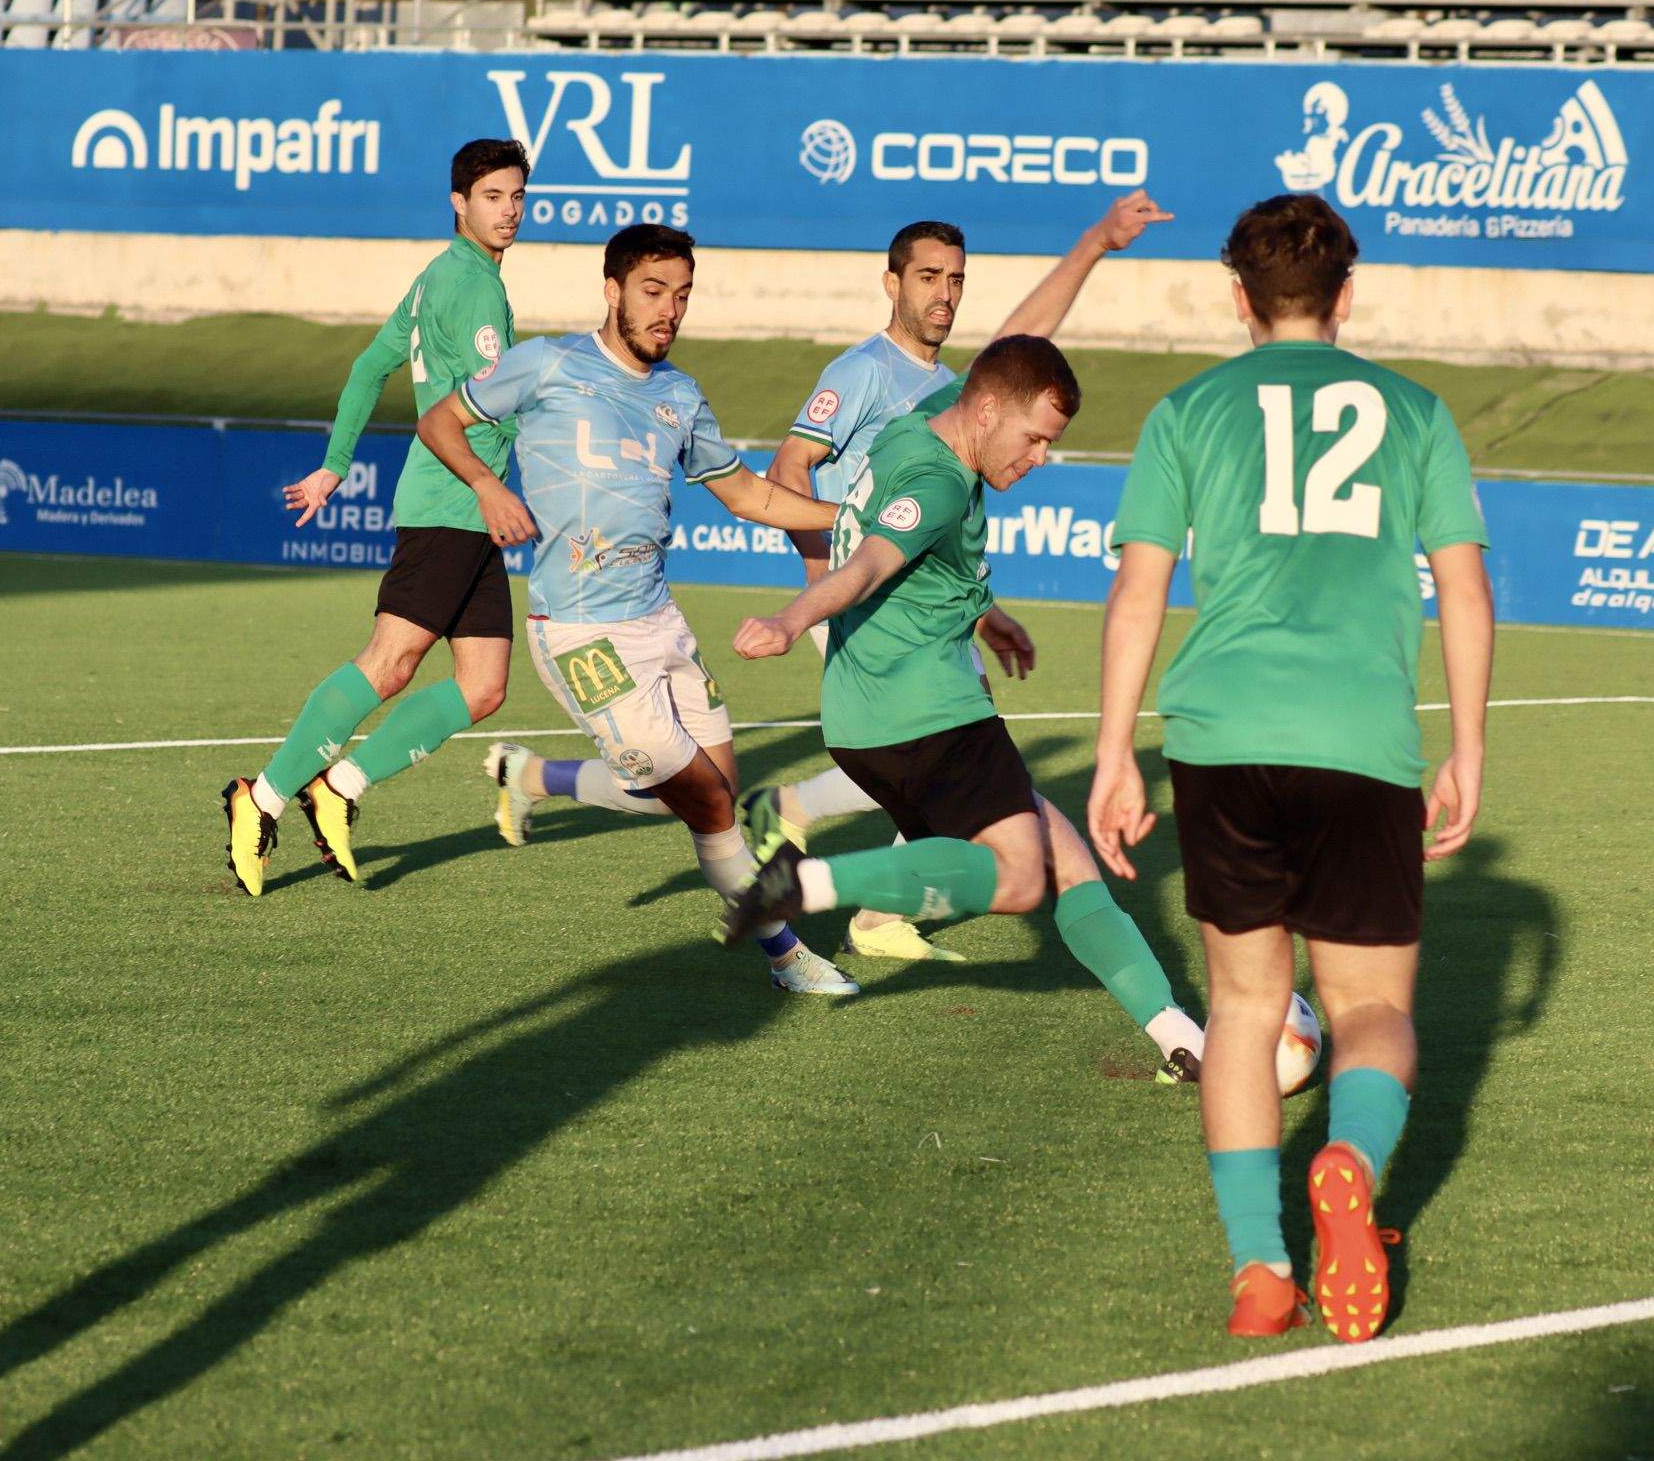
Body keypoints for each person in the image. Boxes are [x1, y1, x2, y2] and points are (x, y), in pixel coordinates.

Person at [1085, 194, 1493, 1341]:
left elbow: (1138, 592)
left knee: (1246, 1006)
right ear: (1346, 295)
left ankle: (1261, 1271)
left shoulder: (1186, 411)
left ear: (1238, 298)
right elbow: (1462, 586)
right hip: (1362, 742)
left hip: (1222, 736)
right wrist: (1466, 743)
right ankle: (1350, 1163)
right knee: (1371, 1008)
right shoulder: (1414, 411)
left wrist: (1117, 752)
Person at [719, 337, 1209, 1078]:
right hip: (930, 715)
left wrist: (985, 610)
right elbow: (870, 566)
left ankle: (1179, 1037)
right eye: (1035, 437)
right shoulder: (940, 481)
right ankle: (810, 883)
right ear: (984, 411)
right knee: (1020, 877)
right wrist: (791, 621)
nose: (1041, 456)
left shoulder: (914, 425)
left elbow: (1008, 359)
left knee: (1067, 861)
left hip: (864, 720)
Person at [724, 193, 1173, 965]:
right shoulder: (863, 372)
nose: (944, 292)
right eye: (928, 276)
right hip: (866, 604)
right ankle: (839, 877)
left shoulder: (958, 386)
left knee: (948, 769)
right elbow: (790, 469)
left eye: (956, 278)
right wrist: (820, 590)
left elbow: (1026, 340)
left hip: (915, 607)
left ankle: (843, 874)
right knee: (969, 774)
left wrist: (1096, 243)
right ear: (892, 283)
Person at [416, 224, 857, 996]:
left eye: (682, 296)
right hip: (580, 629)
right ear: (613, 289)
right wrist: (489, 487)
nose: (670, 311)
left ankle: (531, 777)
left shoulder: (679, 396)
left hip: (660, 623)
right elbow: (438, 421)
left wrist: (853, 519)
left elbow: (749, 494)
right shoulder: (548, 364)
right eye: (654, 292)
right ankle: (786, 955)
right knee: (711, 803)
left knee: (696, 792)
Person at [221, 139, 537, 894]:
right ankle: (259, 800)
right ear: (459, 203)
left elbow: (370, 368)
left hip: (473, 511)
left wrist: (336, 463)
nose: (510, 210)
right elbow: (492, 401)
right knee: (390, 664)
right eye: (494, 196)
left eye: (518, 196)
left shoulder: (437, 278)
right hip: (453, 503)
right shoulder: (472, 288)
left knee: (484, 684)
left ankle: (339, 788)